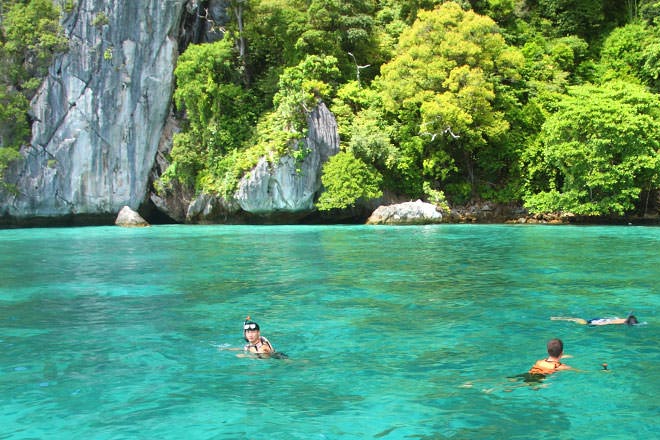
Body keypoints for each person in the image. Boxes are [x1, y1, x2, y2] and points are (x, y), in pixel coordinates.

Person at [550, 314, 638, 326]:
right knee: (576, 320)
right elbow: (610, 322)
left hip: (599, 319)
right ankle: (558, 318)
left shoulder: (621, 319)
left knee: (575, 319)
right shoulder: (620, 321)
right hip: (596, 322)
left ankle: (559, 318)